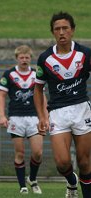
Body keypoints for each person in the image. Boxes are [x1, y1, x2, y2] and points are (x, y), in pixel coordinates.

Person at [34, 11, 91, 198]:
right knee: (62, 163)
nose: (61, 32)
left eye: (65, 28)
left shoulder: (85, 54)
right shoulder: (45, 58)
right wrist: (42, 117)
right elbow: (38, 89)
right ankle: (71, 181)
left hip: (82, 109)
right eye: (57, 29)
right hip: (57, 113)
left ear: (72, 30)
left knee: (85, 163)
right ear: (52, 32)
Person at [0, 45, 47, 195]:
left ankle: (32, 178)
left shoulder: (36, 74)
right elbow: (1, 96)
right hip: (16, 118)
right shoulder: (9, 74)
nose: (24, 60)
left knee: (37, 152)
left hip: (34, 117)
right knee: (20, 153)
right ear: (17, 58)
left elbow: (42, 97)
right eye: (21, 57)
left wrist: (44, 116)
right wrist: (1, 115)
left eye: (27, 57)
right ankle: (22, 186)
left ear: (31, 58)